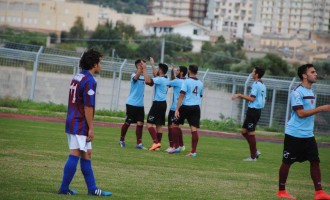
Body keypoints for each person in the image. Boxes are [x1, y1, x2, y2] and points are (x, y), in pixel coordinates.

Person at [58, 48, 112, 196]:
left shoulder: (77, 76)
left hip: (72, 119)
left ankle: (92, 189)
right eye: (99, 62)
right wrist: (91, 128)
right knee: (75, 153)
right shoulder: (89, 81)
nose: (100, 65)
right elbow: (88, 106)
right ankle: (64, 188)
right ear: (94, 64)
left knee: (87, 153)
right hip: (80, 122)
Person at [277, 64, 330, 200]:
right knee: (287, 162)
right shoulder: (297, 92)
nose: (316, 74)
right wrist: (320, 109)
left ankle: (319, 192)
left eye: (315, 72)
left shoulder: (311, 91)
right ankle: (281, 191)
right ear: (304, 75)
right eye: (312, 72)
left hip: (308, 135)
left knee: (315, 161)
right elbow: (300, 113)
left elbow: (308, 113)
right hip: (294, 134)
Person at [232, 66, 266, 161]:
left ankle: (253, 157)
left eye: (253, 71)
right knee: (243, 131)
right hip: (255, 110)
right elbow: (263, 99)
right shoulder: (262, 84)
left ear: (257, 74)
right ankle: (255, 151)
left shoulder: (256, 84)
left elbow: (252, 98)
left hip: (254, 111)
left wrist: (239, 95)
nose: (251, 73)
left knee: (251, 133)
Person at [172, 64, 203, 157]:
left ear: (189, 71)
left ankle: (176, 146)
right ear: (196, 72)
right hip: (196, 107)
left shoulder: (186, 81)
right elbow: (200, 95)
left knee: (174, 124)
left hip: (186, 106)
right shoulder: (201, 83)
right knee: (194, 129)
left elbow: (181, 95)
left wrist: (177, 109)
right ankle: (193, 152)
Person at [118, 58, 147, 149]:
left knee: (140, 123)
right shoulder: (134, 75)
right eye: (142, 64)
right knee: (128, 122)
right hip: (131, 103)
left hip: (140, 104)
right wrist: (140, 70)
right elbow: (135, 78)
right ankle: (121, 140)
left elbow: (150, 81)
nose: (144, 66)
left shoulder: (144, 76)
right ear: (138, 66)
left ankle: (139, 143)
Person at [142, 57, 169, 151]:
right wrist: (152, 65)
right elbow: (155, 75)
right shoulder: (166, 78)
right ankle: (157, 146)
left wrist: (144, 69)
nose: (156, 70)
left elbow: (148, 81)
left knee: (149, 124)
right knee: (159, 125)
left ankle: (156, 142)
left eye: (158, 68)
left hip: (157, 104)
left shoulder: (160, 79)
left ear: (161, 70)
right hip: (163, 104)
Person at [165, 65, 187, 153]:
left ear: (181, 72)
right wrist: (172, 71)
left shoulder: (177, 81)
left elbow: (169, 83)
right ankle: (181, 145)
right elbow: (174, 80)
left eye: (177, 70)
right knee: (176, 126)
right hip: (183, 107)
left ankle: (173, 146)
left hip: (175, 108)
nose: (176, 72)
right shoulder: (186, 81)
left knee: (171, 127)